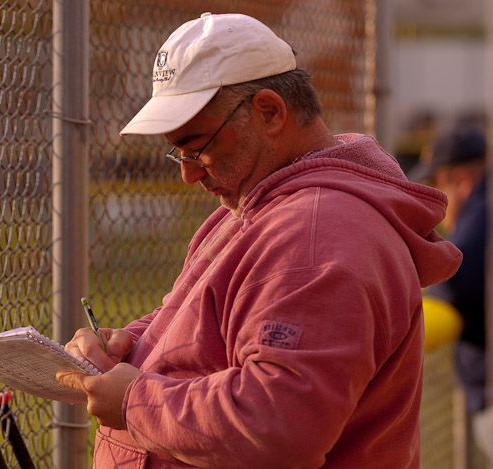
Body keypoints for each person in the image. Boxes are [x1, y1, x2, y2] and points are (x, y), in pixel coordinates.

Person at [56, 13, 462, 468]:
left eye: (197, 146)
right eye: (178, 154)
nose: (189, 173)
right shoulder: (264, 204)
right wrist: (132, 342)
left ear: (269, 112)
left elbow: (277, 425)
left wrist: (134, 400)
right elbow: (206, 314)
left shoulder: (317, 233)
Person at [409, 127, 488, 411]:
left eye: (439, 185)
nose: (435, 200)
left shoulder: (482, 210)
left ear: (463, 180)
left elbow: (453, 286)